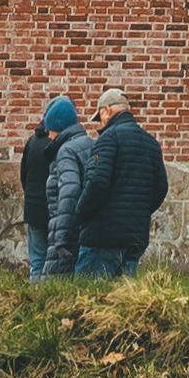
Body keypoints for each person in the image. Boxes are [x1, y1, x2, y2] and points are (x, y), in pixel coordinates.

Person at [45, 90, 167, 282]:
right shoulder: (150, 143)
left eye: (99, 117)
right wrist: (139, 211)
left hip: (102, 238)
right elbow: (161, 187)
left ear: (106, 111)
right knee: (122, 301)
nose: (99, 124)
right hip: (135, 237)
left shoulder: (108, 139)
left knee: (89, 300)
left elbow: (96, 183)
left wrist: (81, 214)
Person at [19, 94, 80, 276]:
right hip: (56, 212)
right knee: (56, 264)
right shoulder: (64, 145)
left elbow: (24, 175)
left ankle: (34, 295)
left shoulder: (32, 142)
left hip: (34, 209)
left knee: (37, 261)